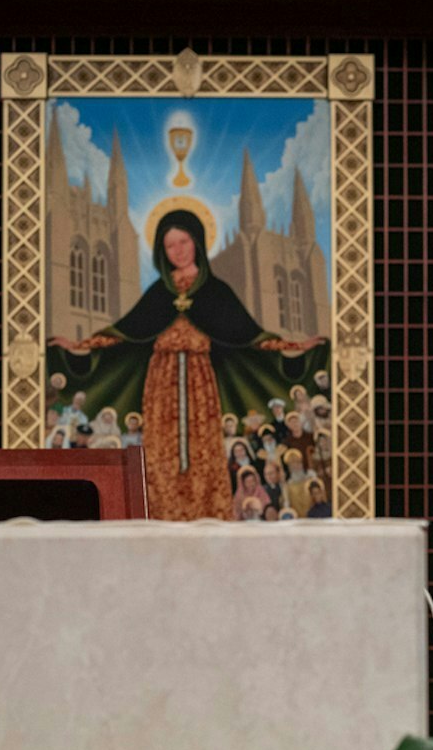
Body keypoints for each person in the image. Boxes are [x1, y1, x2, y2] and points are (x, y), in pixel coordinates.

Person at [46, 210, 327, 521]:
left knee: (203, 452)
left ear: (197, 242)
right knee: (160, 454)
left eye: (183, 242)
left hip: (199, 381)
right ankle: (158, 516)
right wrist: (79, 346)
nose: (178, 250)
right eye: (170, 245)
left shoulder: (215, 291)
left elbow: (248, 335)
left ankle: (207, 517)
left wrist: (294, 347)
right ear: (161, 252)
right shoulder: (159, 293)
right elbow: (127, 331)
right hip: (160, 382)